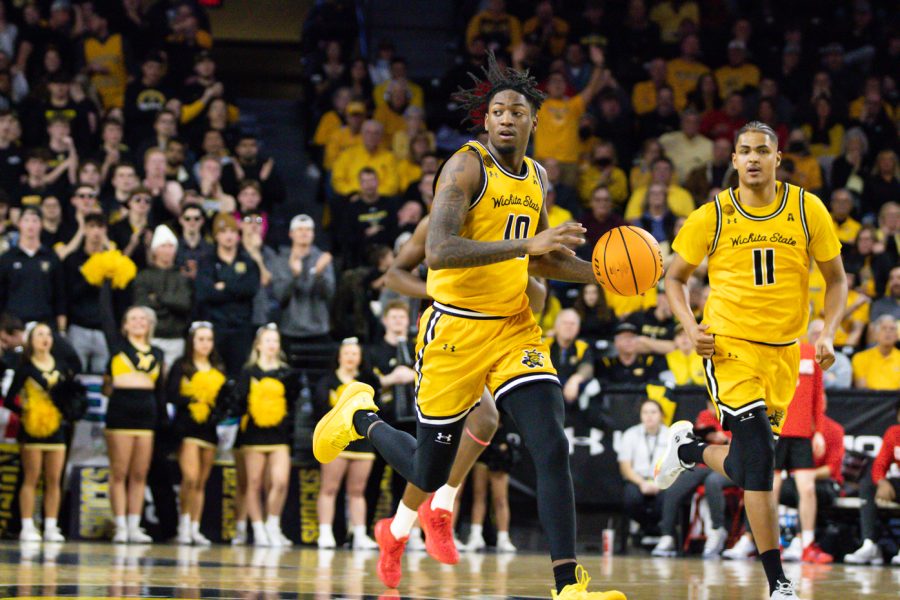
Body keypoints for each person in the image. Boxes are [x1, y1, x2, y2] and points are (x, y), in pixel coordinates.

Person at [313, 52, 625, 599]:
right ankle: (361, 416)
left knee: (551, 445)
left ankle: (567, 585)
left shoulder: (537, 176)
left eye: (517, 112)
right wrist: (525, 244)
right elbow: (438, 250)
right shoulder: (465, 166)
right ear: (486, 120)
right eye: (497, 111)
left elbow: (543, 259)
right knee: (428, 472)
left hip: (514, 328)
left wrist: (606, 271)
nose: (506, 118)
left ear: (533, 121)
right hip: (454, 331)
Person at [657, 121, 847, 600]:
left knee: (751, 467)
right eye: (745, 151)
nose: (754, 158)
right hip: (729, 347)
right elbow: (675, 278)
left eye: (763, 150)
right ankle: (779, 581)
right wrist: (690, 327)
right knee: (761, 459)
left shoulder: (807, 208)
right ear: (735, 160)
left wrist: (828, 331)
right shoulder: (712, 215)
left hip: (784, 353)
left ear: (777, 158)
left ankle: (688, 451)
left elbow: (837, 280)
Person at [100, 283, 166, 544]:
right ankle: (120, 525)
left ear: (150, 325)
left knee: (140, 473)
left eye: (143, 319)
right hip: (120, 413)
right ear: (125, 325)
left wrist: (162, 420)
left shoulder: (158, 353)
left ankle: (134, 525)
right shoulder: (117, 346)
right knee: (119, 472)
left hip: (146, 416)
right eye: (133, 319)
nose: (139, 322)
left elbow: (160, 391)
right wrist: (106, 285)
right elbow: (106, 315)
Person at [2, 322, 80, 542]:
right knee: (31, 478)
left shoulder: (62, 366)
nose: (45, 338)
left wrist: (69, 409)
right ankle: (27, 526)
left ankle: (51, 526)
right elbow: (9, 399)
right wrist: (26, 412)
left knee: (54, 479)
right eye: (39, 335)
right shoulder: (25, 368)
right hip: (32, 430)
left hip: (57, 429)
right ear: (31, 340)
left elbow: (71, 394)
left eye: (48, 334)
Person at [234, 324, 297, 547]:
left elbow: (292, 402)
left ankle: (273, 523)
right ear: (258, 345)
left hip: (279, 435)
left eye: (275, 341)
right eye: (268, 341)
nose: (272, 345)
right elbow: (240, 402)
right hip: (253, 435)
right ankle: (258, 527)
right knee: (253, 482)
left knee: (280, 481)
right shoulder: (248, 371)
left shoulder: (287, 373)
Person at [314, 338, 380, 550]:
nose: (351, 357)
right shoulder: (327, 381)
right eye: (347, 353)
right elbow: (320, 410)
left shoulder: (367, 383)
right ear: (339, 356)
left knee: (357, 490)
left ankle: (359, 534)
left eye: (355, 354)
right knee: (329, 487)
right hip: (336, 441)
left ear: (360, 358)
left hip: (361, 443)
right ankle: (325, 532)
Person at [167, 321, 228, 546]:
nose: (205, 344)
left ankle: (195, 527)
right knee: (190, 478)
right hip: (187, 427)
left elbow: (224, 400)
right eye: (200, 339)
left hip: (209, 429)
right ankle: (183, 525)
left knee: (201, 481)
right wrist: (195, 397)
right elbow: (171, 394)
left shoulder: (218, 368)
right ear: (192, 342)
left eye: (209, 339)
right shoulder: (181, 365)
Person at [774, 342, 832, 564]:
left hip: (801, 433)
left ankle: (807, 544)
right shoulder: (770, 347)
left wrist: (819, 431)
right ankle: (771, 544)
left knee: (807, 489)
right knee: (770, 490)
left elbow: (818, 395)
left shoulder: (810, 352)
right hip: (775, 430)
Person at [844, 401, 900, 566]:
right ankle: (870, 544)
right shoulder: (893, 433)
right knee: (868, 485)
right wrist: (881, 482)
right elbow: (879, 465)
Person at [132, 226, 193, 369]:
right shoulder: (144, 276)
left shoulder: (182, 277)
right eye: (163, 246)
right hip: (150, 337)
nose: (167, 250)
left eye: (170, 246)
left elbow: (184, 304)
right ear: (154, 250)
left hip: (176, 338)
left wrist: (158, 298)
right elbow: (142, 307)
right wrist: (171, 303)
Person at [618, 399, 669, 544]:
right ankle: (642, 528)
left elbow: (676, 466)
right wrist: (641, 483)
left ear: (661, 415)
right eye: (645, 412)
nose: (649, 416)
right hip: (638, 480)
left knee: (670, 497)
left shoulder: (670, 435)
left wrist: (659, 483)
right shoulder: (630, 434)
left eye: (653, 412)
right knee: (631, 497)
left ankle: (660, 531)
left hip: (663, 480)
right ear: (640, 415)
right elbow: (625, 467)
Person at [851, 315, 900, 390]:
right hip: (870, 397)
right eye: (884, 328)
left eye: (892, 329)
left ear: (897, 336)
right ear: (875, 334)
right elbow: (862, 390)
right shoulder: (860, 358)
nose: (888, 332)